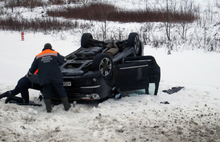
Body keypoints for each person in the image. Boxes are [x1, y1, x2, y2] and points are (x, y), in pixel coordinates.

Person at [27, 43, 71, 113]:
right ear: (51, 48)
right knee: (61, 91)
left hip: (44, 78)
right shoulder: (55, 54)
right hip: (55, 76)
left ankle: (48, 108)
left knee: (46, 93)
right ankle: (66, 106)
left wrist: (28, 74)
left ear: (44, 48)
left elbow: (33, 68)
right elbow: (63, 60)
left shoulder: (38, 56)